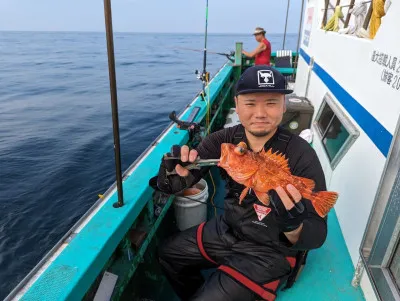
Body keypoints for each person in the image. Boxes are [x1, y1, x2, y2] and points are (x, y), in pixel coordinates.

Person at [153, 65, 328, 301]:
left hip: (268, 251)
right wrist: (171, 173)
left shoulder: (301, 154)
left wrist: (292, 225)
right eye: (250, 103)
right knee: (168, 253)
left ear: (284, 106)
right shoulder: (224, 141)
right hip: (228, 229)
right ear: (236, 104)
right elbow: (181, 183)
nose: (260, 113)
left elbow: (317, 235)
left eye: (271, 103)